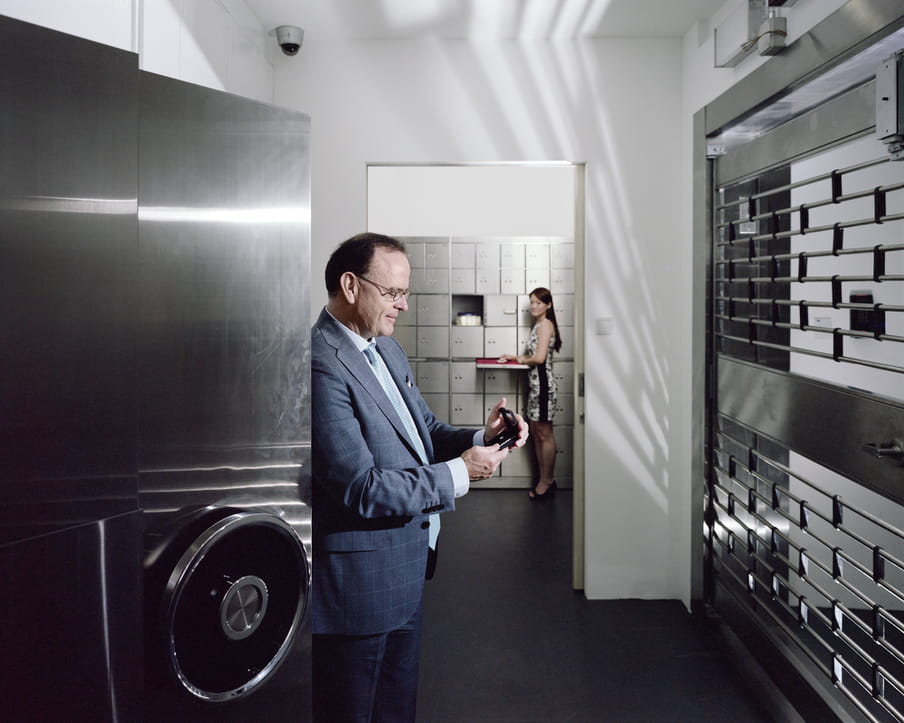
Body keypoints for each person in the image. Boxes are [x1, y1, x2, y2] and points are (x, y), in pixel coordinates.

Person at [310, 232, 528, 722]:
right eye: (392, 293)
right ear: (350, 285)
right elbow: (360, 487)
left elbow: (422, 431)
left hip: (407, 569)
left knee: (395, 710)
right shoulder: (321, 363)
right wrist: (460, 472)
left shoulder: (384, 350)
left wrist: (480, 436)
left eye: (406, 294)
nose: (403, 306)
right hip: (360, 589)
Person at [499, 287, 562, 500]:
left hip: (544, 387)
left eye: (538, 303)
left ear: (548, 305)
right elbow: (532, 355)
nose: (534, 306)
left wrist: (521, 359)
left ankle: (547, 481)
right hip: (536, 386)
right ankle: (544, 479)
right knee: (537, 433)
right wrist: (513, 356)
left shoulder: (546, 325)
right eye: (532, 302)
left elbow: (539, 358)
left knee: (545, 434)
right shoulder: (538, 325)